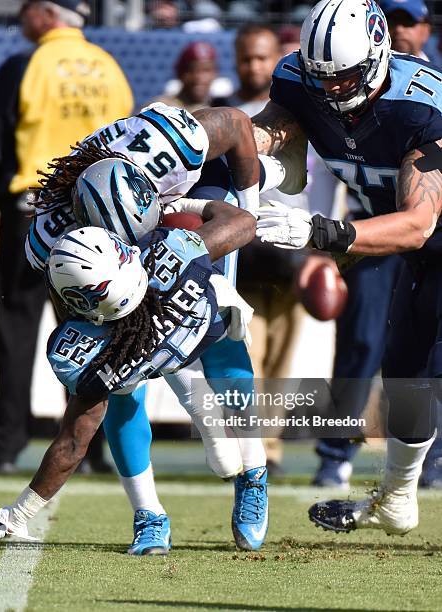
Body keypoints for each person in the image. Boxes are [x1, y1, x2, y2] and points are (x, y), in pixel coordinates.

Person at [25, 102, 292, 553]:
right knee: (116, 375)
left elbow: (235, 123)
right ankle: (148, 513)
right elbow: (82, 332)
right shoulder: (51, 241)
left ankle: (254, 471)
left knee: (222, 330)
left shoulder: (168, 146)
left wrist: (245, 210)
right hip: (105, 266)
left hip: (180, 207)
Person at [0, 195, 260, 550]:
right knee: (144, 410)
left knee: (224, 446)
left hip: (203, 328)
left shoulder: (101, 342)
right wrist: (185, 204)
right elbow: (241, 221)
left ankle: (254, 471)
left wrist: (16, 515)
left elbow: (71, 445)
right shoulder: (170, 258)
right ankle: (150, 514)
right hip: (171, 329)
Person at [252, 0, 442, 536]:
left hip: (419, 233)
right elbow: (265, 131)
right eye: (322, 80)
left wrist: (322, 234)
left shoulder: (420, 107)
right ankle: (398, 496)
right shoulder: (298, 81)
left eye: (346, 78)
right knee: (404, 374)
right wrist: (197, 150)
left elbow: (417, 223)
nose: (333, 91)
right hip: (416, 253)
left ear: (380, 56)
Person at [0, 0, 133, 474]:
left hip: (33, 214)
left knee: (16, 327)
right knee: (98, 329)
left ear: (48, 13)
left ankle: (4, 447)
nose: (23, 17)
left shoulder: (25, 64)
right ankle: (94, 448)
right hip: (97, 217)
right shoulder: (110, 68)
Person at [309, 0, 432, 489]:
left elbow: (421, 217)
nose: (402, 30)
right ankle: (334, 452)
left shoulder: (427, 95)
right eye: (395, 18)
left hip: (422, 236)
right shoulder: (328, 84)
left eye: (409, 20)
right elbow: (323, 166)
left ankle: (429, 460)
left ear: (424, 28)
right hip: (366, 230)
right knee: (361, 343)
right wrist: (318, 234)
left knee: (425, 355)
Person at [213, 24, 310, 477]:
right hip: (243, 251)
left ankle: (268, 449)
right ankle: (246, 445)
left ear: (277, 58)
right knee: (245, 350)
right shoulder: (224, 114)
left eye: (262, 58)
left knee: (282, 359)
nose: (254, 66)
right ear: (235, 59)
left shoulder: (303, 109)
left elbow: (321, 182)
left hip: (292, 247)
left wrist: (320, 249)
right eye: (247, 58)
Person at [150, 41, 218, 114]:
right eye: (191, 70)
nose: (198, 77)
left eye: (206, 70)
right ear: (179, 72)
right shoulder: (160, 109)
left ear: (215, 73)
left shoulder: (222, 110)